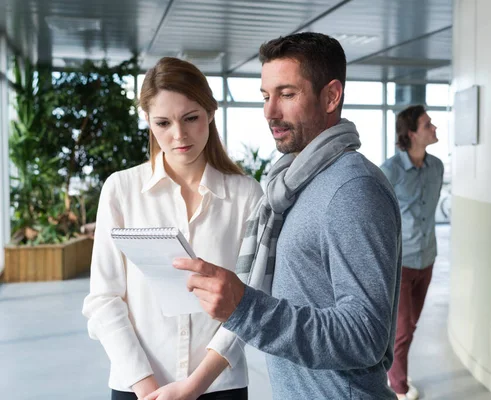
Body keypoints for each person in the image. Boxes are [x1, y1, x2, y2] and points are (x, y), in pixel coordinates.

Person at [174, 32, 403, 400]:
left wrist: (246, 307)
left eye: (287, 94)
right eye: (266, 96)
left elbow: (365, 335)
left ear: (331, 96)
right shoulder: (293, 182)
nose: (270, 111)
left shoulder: (352, 189)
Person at [82, 57, 263, 400]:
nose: (178, 135)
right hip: (138, 385)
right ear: (148, 121)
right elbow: (104, 298)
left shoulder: (246, 195)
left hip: (219, 386)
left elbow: (250, 299)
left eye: (191, 118)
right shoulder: (121, 190)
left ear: (210, 112)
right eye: (163, 123)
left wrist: (194, 387)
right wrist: (147, 388)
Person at [379, 105, 444, 399]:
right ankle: (399, 390)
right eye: (428, 124)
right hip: (400, 264)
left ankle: (392, 377)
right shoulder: (389, 171)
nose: (434, 128)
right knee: (402, 330)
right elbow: (375, 215)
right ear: (411, 133)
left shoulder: (438, 167)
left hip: (427, 259)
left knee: (410, 326)